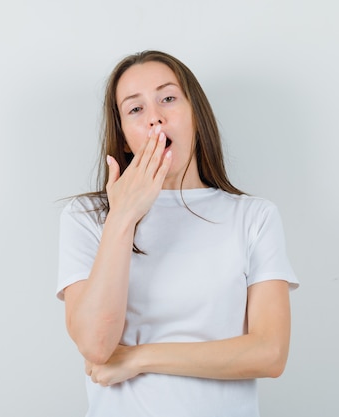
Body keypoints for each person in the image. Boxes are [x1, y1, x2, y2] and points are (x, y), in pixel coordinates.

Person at [56, 50, 299, 417]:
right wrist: (122, 217)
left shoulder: (254, 216)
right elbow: (95, 344)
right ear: (123, 138)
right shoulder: (87, 217)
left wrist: (138, 358)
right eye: (135, 109)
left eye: (168, 98)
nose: (155, 117)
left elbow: (269, 353)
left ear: (195, 117)